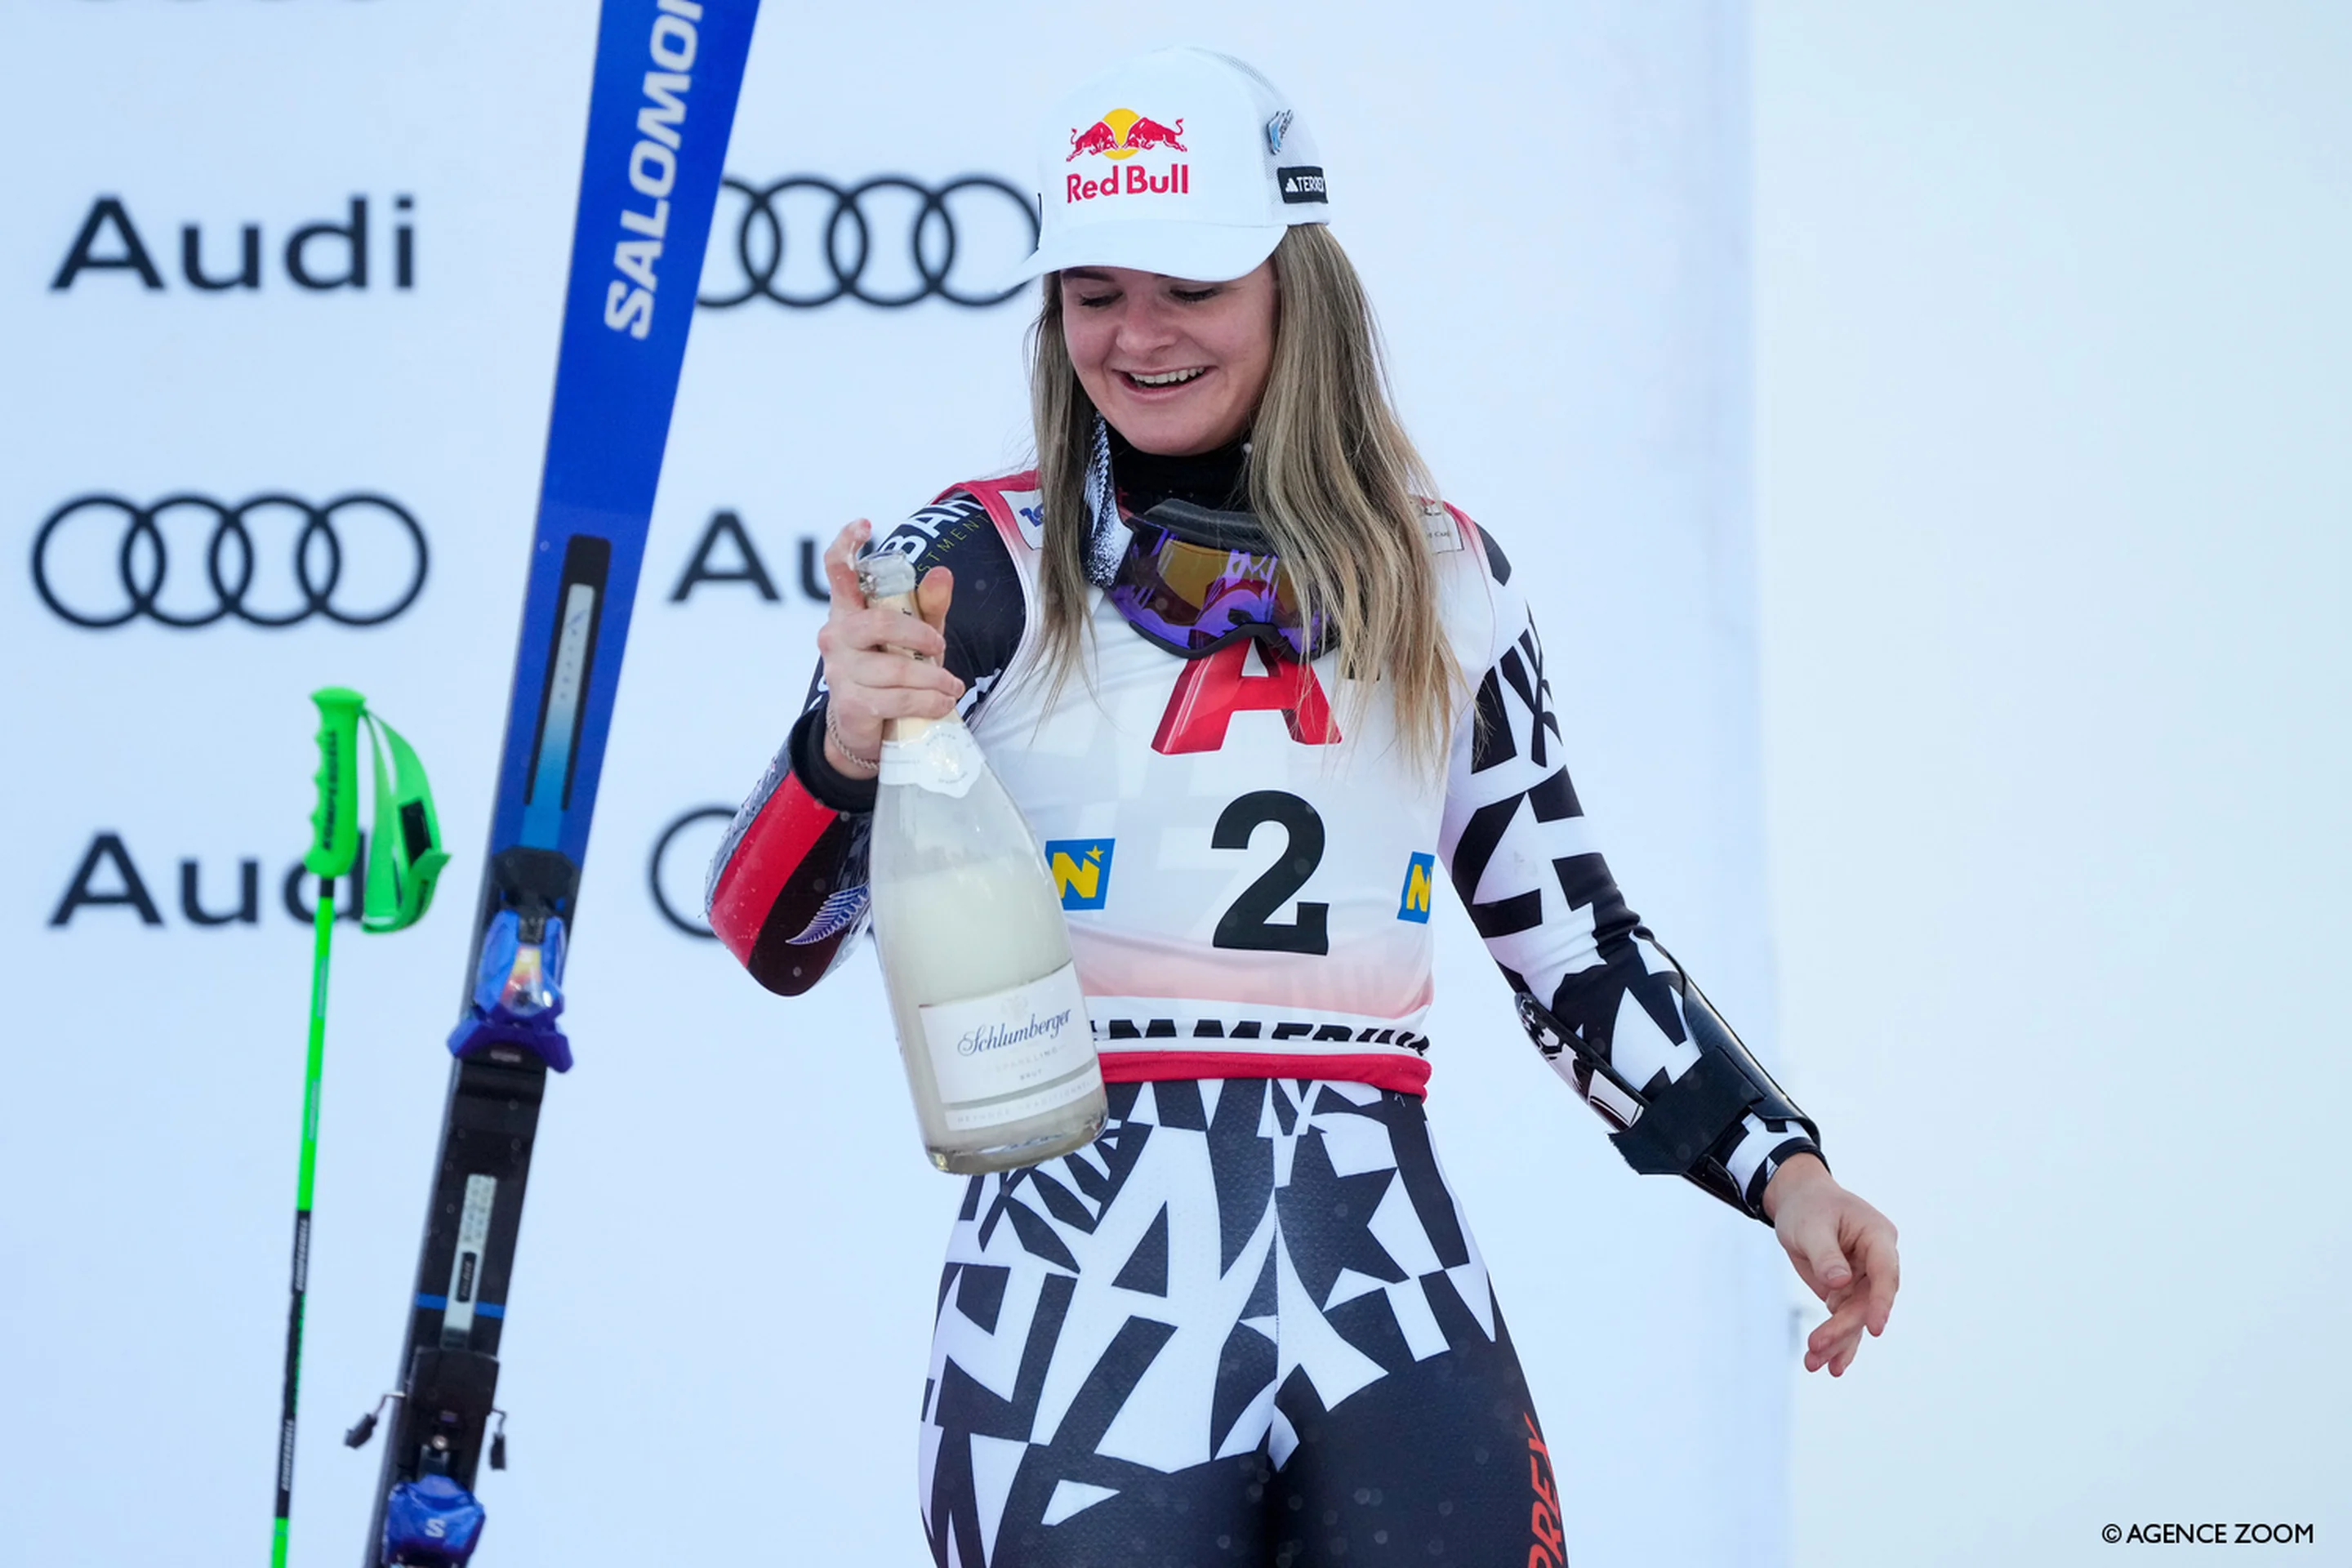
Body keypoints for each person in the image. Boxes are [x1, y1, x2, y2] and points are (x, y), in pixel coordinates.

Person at [706, 45, 1898, 1568]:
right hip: (1082, 1283)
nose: (1134, 337)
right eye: (1093, 291)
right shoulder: (975, 559)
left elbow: (1573, 944)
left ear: (1295, 283)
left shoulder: (1447, 574)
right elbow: (767, 926)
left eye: (1190, 285)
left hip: (1380, 1277)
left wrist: (1784, 1170)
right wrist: (845, 756)